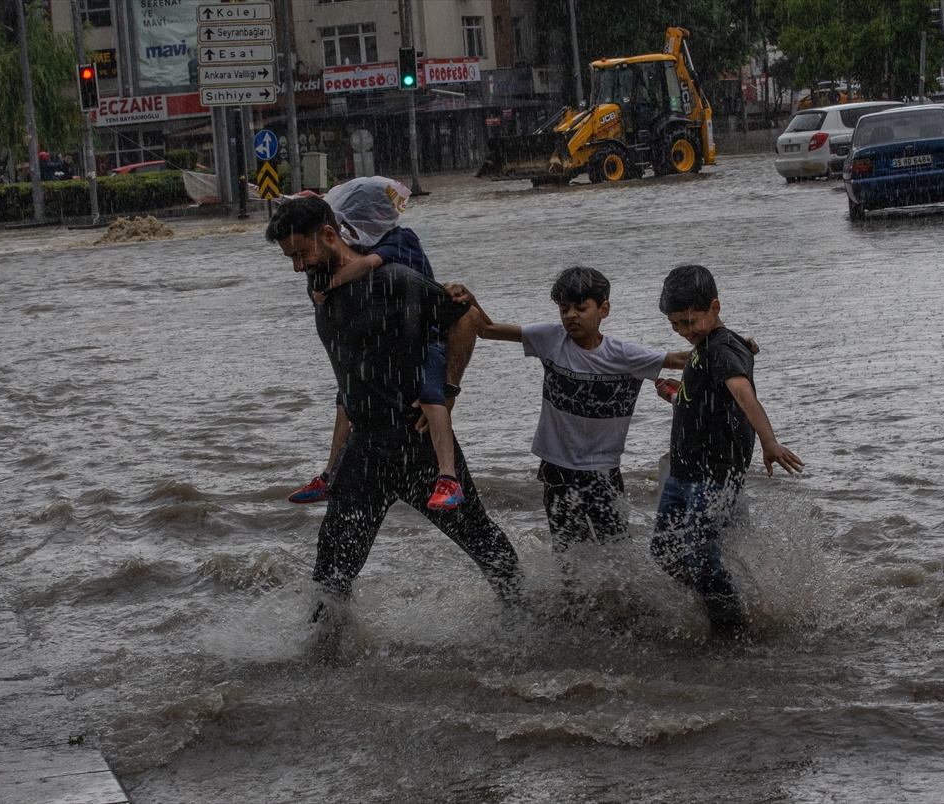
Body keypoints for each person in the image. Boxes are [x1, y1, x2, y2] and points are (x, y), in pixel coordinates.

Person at [265, 196, 526, 618]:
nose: (298, 266)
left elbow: (463, 316)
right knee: (331, 573)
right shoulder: (320, 287)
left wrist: (448, 391)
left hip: (416, 442)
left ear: (329, 236)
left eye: (302, 254)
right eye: (290, 259)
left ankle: (525, 623)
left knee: (482, 540)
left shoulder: (395, 280)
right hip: (364, 451)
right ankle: (322, 661)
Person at [447, 267, 688, 554]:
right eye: (564, 308)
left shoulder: (624, 355)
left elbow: (677, 359)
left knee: (618, 551)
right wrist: (470, 300)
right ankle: (571, 597)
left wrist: (728, 347)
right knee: (568, 553)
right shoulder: (550, 338)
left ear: (603, 309)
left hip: (603, 470)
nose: (571, 315)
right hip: (557, 468)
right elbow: (487, 330)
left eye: (581, 308)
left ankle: (619, 600)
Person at [286, 178, 463, 510]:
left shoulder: (398, 242)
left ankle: (447, 476)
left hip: (429, 341)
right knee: (344, 398)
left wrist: (328, 286)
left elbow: (367, 266)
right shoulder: (361, 249)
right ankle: (328, 474)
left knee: (430, 395)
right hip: (372, 426)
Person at [651, 264, 803, 636]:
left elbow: (741, 392)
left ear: (715, 307)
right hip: (682, 473)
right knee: (664, 551)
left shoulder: (722, 349)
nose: (684, 332)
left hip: (713, 476)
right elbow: (709, 401)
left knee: (700, 558)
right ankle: (724, 597)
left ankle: (731, 628)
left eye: (690, 322)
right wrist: (676, 393)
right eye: (675, 325)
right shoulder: (707, 347)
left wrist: (768, 440)